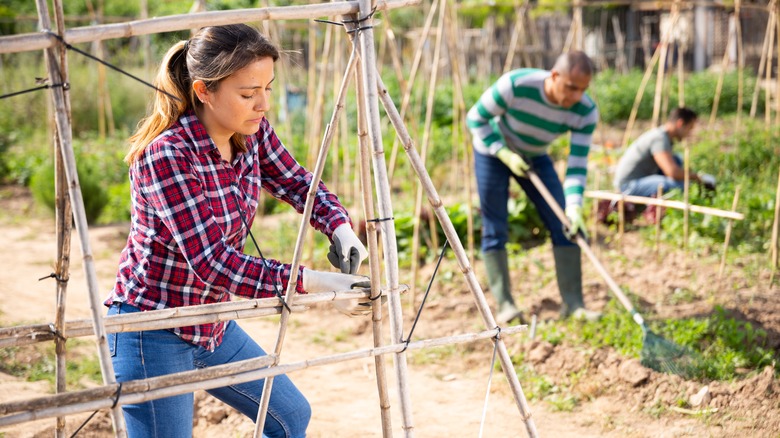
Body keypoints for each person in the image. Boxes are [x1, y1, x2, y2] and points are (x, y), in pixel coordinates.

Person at [105, 24, 372, 438]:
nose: (263, 104)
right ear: (204, 91)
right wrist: (313, 283)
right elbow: (213, 264)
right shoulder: (166, 156)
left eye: (267, 88)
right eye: (248, 94)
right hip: (153, 329)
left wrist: (339, 225)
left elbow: (297, 182)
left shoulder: (251, 133)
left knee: (289, 417)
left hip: (213, 322)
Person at [467, 51, 602, 324]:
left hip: (535, 155)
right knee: (495, 226)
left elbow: (576, 166)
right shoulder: (516, 85)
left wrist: (574, 209)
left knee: (564, 222)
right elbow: (475, 118)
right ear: (554, 76)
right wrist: (502, 153)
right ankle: (506, 304)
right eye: (571, 87)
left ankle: (573, 304)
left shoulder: (585, 112)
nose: (576, 96)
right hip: (494, 151)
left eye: (583, 89)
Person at [613, 107, 715, 198]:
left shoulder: (664, 137)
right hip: (628, 186)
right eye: (689, 128)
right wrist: (698, 177)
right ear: (680, 123)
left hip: (641, 179)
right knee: (675, 185)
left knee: (677, 160)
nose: (689, 133)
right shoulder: (660, 138)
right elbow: (672, 172)